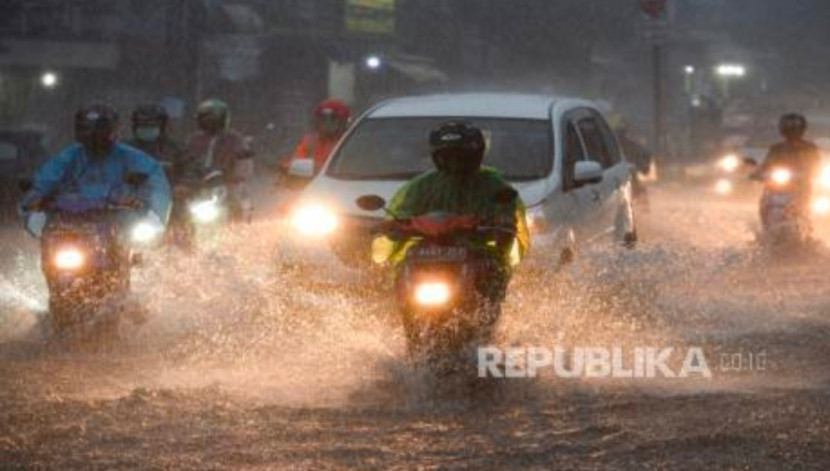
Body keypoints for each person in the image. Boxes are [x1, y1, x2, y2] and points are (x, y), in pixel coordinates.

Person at [373, 121, 530, 300]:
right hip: (425, 258)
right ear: (437, 157)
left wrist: (501, 225)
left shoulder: (495, 187)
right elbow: (399, 214)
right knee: (401, 274)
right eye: (448, 156)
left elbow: (507, 226)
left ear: (475, 156)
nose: (455, 162)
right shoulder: (420, 186)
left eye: (461, 156)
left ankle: (485, 313)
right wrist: (391, 226)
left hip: (477, 257)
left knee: (491, 273)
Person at [20, 103, 171, 229]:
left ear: (112, 131)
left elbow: (158, 189)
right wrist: (35, 196)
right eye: (87, 129)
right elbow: (45, 179)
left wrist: (154, 216)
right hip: (69, 222)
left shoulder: (132, 158)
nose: (93, 136)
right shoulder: (69, 157)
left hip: (119, 224)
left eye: (99, 130)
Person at [183, 99, 254, 222]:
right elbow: (183, 159)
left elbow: (244, 165)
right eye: (204, 118)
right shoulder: (193, 140)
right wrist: (185, 177)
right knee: (178, 207)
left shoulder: (235, 140)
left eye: (211, 118)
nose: (208, 122)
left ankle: (237, 232)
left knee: (237, 203)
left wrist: (233, 178)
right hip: (197, 184)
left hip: (226, 184)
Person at [753, 113, 822, 223]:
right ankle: (765, 227)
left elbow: (816, 164)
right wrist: (757, 173)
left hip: (800, 186)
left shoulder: (809, 148)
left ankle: (804, 228)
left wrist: (811, 172)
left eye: (795, 126)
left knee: (803, 207)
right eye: (789, 126)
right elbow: (766, 164)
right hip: (776, 186)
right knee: (764, 202)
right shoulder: (776, 148)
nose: (792, 129)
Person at [281, 99, 351, 176]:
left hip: (341, 183)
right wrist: (286, 167)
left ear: (343, 122)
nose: (327, 123)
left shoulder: (350, 142)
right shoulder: (310, 141)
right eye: (323, 119)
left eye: (332, 119)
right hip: (312, 184)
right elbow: (296, 162)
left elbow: (354, 167)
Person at [127, 104, 187, 183]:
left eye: (151, 124)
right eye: (143, 124)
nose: (147, 127)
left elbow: (186, 174)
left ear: (162, 126)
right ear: (135, 126)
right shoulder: (126, 148)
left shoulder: (175, 149)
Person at [615, 122, 653, 211]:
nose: (621, 137)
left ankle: (643, 212)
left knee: (640, 192)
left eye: (621, 133)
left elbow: (646, 154)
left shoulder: (632, 145)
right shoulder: (611, 146)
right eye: (618, 133)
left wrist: (643, 166)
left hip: (630, 177)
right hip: (617, 180)